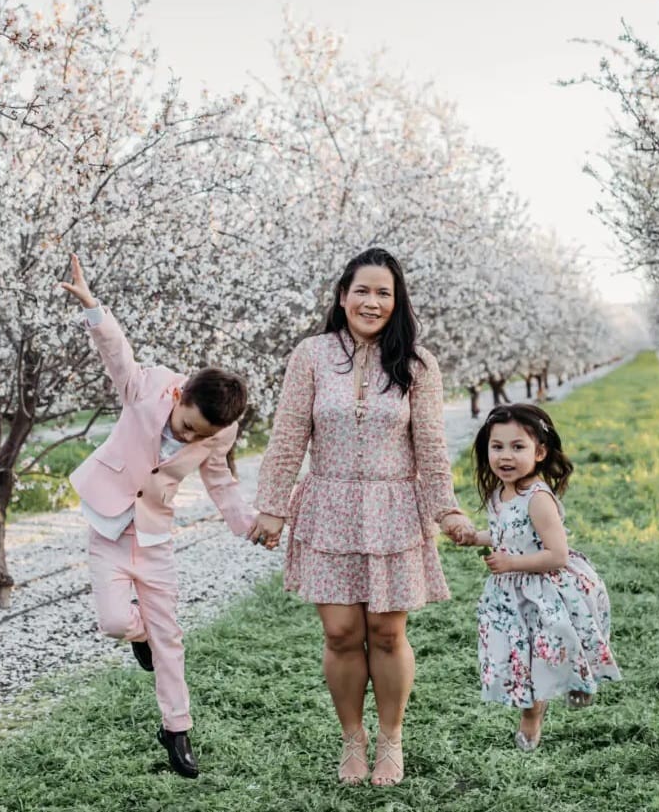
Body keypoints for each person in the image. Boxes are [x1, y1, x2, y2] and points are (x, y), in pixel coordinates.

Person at [247, 247, 475, 786]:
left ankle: (391, 739)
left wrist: (446, 510)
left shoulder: (417, 364)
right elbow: (287, 437)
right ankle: (353, 738)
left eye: (384, 293)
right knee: (342, 633)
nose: (372, 302)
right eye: (363, 291)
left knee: (388, 632)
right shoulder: (311, 355)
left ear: (397, 303)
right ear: (343, 296)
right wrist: (273, 507)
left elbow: (431, 447)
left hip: (394, 508)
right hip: (329, 506)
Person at [61, 254, 255, 778]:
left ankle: (177, 729)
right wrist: (93, 308)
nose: (190, 438)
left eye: (201, 435)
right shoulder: (148, 386)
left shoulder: (219, 432)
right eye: (188, 426)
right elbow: (116, 354)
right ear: (182, 393)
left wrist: (248, 524)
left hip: (154, 537)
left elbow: (221, 482)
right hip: (108, 527)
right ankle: (139, 638)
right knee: (115, 622)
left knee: (171, 637)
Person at [466, 403, 621, 751]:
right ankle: (540, 703)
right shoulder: (500, 493)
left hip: (545, 589)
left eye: (517, 447)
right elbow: (508, 531)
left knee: (548, 653)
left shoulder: (538, 499)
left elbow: (557, 554)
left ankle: (540, 711)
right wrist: (477, 537)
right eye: (497, 446)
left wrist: (510, 564)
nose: (505, 456)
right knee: (518, 656)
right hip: (510, 597)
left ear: (539, 452)